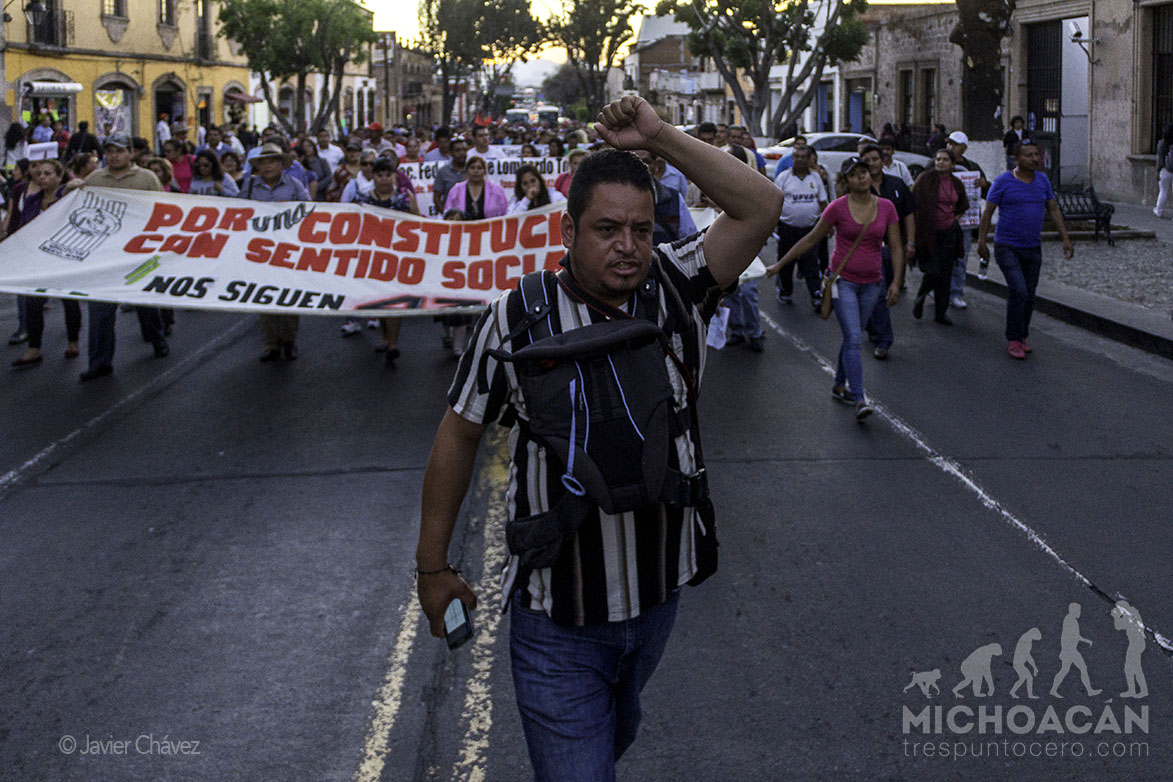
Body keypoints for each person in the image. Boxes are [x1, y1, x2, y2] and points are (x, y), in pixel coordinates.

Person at [415, 94, 781, 782]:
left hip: (659, 599)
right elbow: (460, 432)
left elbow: (761, 206)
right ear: (567, 229)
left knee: (613, 734)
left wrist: (659, 135)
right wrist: (431, 568)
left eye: (641, 229)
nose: (627, 247)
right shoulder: (515, 318)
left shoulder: (678, 282)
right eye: (607, 229)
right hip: (557, 618)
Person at [767, 156, 905, 420]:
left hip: (872, 283)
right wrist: (780, 265)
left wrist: (896, 282)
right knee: (853, 338)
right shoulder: (837, 208)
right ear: (846, 182)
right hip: (843, 282)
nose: (861, 177)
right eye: (854, 174)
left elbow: (896, 247)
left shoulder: (886, 207)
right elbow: (811, 239)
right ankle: (858, 397)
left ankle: (839, 383)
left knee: (853, 337)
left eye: (864, 172)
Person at [79, 132, 168, 382]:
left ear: (131, 153)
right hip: (105, 254)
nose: (115, 156)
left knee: (144, 301)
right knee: (100, 309)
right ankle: (100, 362)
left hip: (138, 253)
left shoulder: (147, 178)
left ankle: (156, 337)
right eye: (110, 151)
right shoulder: (95, 178)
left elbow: (163, 210)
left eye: (120, 151)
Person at [977, 139, 1073, 359]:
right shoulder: (1003, 182)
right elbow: (988, 212)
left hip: (1032, 247)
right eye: (1028, 155)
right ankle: (1013, 338)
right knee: (1018, 290)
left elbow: (1053, 209)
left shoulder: (1042, 181)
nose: (1034, 159)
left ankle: (1022, 335)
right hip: (1007, 246)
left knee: (1029, 295)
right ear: (1016, 159)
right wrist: (982, 242)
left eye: (1036, 155)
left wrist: (1065, 238)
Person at [238, 142, 310, 362]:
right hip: (259, 249)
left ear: (281, 165)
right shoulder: (250, 185)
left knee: (288, 295)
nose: (267, 166)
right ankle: (271, 344)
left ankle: (289, 340)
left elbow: (309, 212)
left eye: (272, 162)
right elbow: (238, 211)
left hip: (288, 248)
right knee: (264, 297)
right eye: (263, 163)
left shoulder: (295, 185)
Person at [348, 157, 420, 365]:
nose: (384, 179)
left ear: (395, 176)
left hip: (399, 257)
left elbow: (418, 221)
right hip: (373, 257)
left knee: (395, 300)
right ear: (374, 177)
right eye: (379, 175)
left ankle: (393, 343)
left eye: (388, 175)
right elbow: (355, 225)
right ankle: (386, 336)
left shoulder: (405, 197)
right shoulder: (362, 199)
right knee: (379, 298)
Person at [10, 159, 81, 368]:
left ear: (59, 177)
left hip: (63, 257)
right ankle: (34, 348)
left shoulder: (67, 197)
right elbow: (24, 225)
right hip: (37, 259)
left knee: (69, 300)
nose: (42, 177)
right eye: (39, 173)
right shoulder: (32, 200)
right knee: (33, 303)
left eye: (48, 174)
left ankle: (73, 342)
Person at [859, 144, 914, 360]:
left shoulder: (897, 184)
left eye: (875, 159)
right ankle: (884, 340)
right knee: (879, 293)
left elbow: (909, 214)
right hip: (870, 250)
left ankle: (873, 326)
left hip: (895, 248)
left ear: (883, 161)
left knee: (888, 289)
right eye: (867, 160)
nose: (872, 163)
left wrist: (911, 242)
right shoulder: (858, 187)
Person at [910, 149, 969, 325]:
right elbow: (913, 201)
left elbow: (962, 204)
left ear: (952, 163)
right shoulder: (925, 179)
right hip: (928, 232)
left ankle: (940, 313)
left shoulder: (956, 182)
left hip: (949, 232)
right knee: (932, 270)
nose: (940, 162)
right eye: (938, 159)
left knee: (945, 273)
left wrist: (954, 219)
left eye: (944, 159)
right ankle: (921, 295)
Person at [773, 144, 829, 310]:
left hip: (810, 229)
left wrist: (829, 225)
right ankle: (785, 291)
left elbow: (823, 202)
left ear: (809, 159)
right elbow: (774, 202)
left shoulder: (816, 178)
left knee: (811, 262)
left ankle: (816, 294)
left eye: (803, 157)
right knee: (786, 261)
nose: (799, 160)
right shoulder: (783, 177)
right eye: (796, 157)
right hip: (787, 227)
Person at [943, 130, 990, 310]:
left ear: (963, 148)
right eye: (949, 143)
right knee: (941, 256)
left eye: (954, 144)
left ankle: (956, 292)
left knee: (961, 258)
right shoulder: (939, 162)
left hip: (965, 222)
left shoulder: (972, 167)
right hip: (942, 219)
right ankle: (939, 288)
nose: (950, 147)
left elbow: (986, 192)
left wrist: (984, 184)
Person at [1155, 124, 1173, 218]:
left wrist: (1158, 171)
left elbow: (1160, 159)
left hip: (1165, 170)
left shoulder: (1161, 143)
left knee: (1163, 191)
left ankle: (1159, 211)